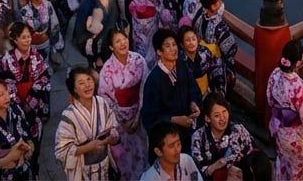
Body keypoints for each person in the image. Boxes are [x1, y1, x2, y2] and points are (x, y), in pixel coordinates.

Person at [98, 28, 148, 179]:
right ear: (111, 47)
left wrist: (138, 114)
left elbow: (145, 87)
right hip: (119, 120)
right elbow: (106, 100)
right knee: (124, 160)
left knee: (142, 154)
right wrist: (122, 122)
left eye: (124, 39)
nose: (123, 43)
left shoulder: (138, 60)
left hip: (139, 113)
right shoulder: (107, 70)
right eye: (117, 41)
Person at [54, 66, 120, 181]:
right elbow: (62, 150)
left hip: (105, 165)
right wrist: (91, 146)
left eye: (89, 79)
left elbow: (112, 125)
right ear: (74, 89)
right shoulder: (69, 116)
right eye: (81, 83)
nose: (87, 85)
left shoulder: (101, 103)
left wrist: (113, 137)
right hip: (84, 170)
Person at [141, 28, 201, 149]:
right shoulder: (154, 80)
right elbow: (150, 116)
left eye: (174, 44)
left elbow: (193, 87)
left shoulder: (181, 65)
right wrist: (174, 120)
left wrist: (194, 103)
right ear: (159, 52)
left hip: (188, 129)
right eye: (167, 46)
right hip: (168, 138)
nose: (173, 49)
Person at [191, 91, 267, 181]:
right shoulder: (198, 137)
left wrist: (243, 172)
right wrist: (217, 167)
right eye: (216, 115)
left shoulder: (238, 130)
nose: (222, 118)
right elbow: (197, 171)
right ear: (207, 118)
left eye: (224, 112)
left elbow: (253, 154)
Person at [267, 40, 303, 181]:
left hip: (279, 129)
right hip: (295, 135)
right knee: (298, 169)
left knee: (283, 161)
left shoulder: (274, 74)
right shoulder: (301, 87)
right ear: (299, 61)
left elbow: (269, 99)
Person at [0, 22, 50, 150]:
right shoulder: (7, 59)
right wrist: (18, 104)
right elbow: (7, 84)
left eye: (28, 36)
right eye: (23, 37)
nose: (27, 40)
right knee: (19, 139)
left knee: (37, 138)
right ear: (15, 39)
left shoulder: (37, 55)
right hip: (16, 103)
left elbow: (44, 77)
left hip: (35, 100)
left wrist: (34, 91)